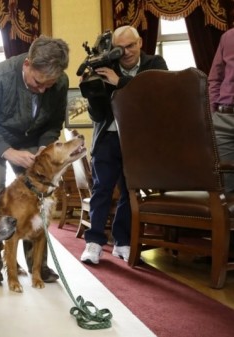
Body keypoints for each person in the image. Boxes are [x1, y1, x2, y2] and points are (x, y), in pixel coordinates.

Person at [0, 36, 70, 284]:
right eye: (38, 82)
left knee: (38, 190)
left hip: (31, 138)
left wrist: (45, 146)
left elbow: (54, 123)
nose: (43, 89)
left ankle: (38, 263)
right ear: (27, 64)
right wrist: (8, 151)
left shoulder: (61, 82)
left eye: (50, 84)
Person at [79, 26, 167, 265]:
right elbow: (98, 116)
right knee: (102, 189)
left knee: (131, 192)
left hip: (138, 139)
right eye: (121, 47)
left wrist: (119, 82)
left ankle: (122, 242)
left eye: (131, 45)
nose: (126, 52)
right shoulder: (105, 65)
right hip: (108, 137)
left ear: (140, 43)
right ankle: (94, 243)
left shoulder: (155, 63)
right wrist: (94, 93)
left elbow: (156, 95)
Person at [209, 27, 234, 193]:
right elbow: (215, 78)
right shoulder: (228, 37)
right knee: (225, 189)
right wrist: (212, 113)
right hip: (224, 118)